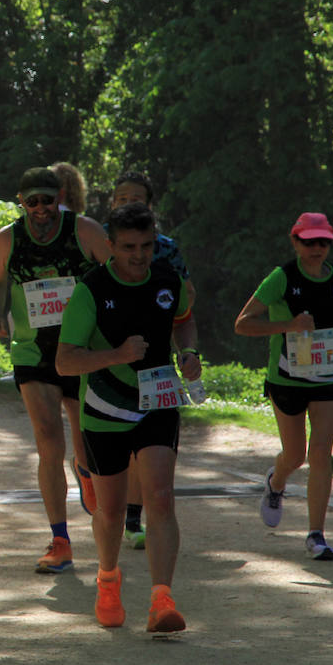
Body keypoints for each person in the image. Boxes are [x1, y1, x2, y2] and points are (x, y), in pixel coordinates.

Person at [56, 201, 200, 633]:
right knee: (113, 510)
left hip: (158, 400)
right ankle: (108, 578)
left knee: (159, 497)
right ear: (109, 246)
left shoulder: (168, 280)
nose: (139, 255)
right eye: (129, 247)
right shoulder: (92, 289)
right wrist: (116, 355)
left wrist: (189, 352)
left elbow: (185, 321)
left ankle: (161, 599)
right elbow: (65, 362)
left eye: (147, 245)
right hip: (104, 407)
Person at [0, 166, 112, 574]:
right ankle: (60, 539)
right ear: (20, 202)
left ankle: (86, 471)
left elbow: (117, 276)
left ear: (59, 196)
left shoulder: (85, 231)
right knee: (47, 440)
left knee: (83, 438)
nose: (41, 209)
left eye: (48, 200)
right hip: (32, 352)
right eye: (32, 202)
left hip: (80, 349)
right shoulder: (8, 238)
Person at [234, 212, 333, 562]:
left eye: (323, 242)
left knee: (321, 453)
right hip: (288, 377)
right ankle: (276, 483)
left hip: (330, 374)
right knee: (296, 456)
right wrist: (289, 324)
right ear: (295, 242)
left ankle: (316, 535)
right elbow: (243, 324)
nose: (317, 248)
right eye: (309, 242)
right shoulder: (281, 277)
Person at [109, 169, 199, 549]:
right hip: (109, 364)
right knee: (117, 449)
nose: (130, 204)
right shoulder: (98, 241)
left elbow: (186, 301)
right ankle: (112, 505)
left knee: (150, 447)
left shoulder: (166, 249)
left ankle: (135, 517)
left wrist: (188, 352)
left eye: (137, 199)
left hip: (157, 365)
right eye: (122, 199)